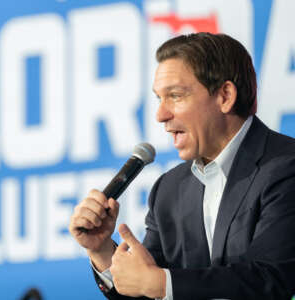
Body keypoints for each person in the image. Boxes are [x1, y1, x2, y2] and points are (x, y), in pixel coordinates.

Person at [69, 32, 295, 300]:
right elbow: (144, 290)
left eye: (175, 96)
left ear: (225, 96)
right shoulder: (169, 190)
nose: (161, 115)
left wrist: (163, 283)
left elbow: (272, 279)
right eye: (159, 99)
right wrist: (102, 251)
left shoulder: (286, 166)